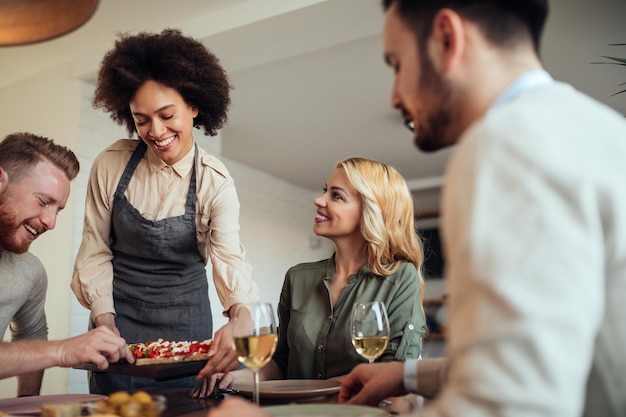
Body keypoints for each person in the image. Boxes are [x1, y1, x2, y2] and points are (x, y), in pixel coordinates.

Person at [208, 0, 626, 416]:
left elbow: (511, 403)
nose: (394, 97)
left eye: (397, 64)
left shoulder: (507, 145)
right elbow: (537, 356)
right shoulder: (600, 129)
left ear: (447, 37)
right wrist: (406, 375)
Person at [70, 29, 259, 394]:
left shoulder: (214, 183)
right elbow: (94, 249)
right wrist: (105, 322)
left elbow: (230, 259)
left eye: (166, 114)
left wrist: (242, 316)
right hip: (118, 322)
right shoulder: (111, 164)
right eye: (141, 120)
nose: (155, 132)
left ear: (194, 105)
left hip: (186, 324)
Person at [194, 157, 426, 399]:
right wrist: (234, 376)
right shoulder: (298, 277)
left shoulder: (400, 278)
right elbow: (280, 363)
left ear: (371, 210)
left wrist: (308, 389)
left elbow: (393, 372)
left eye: (336, 196)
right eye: (326, 191)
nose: (319, 200)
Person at [0, 132, 134, 387]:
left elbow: (31, 337)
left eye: (58, 209)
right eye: (43, 201)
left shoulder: (30, 273)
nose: (50, 223)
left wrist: (29, 405)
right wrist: (61, 351)